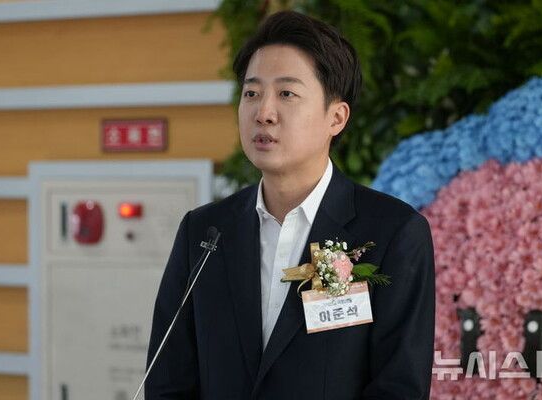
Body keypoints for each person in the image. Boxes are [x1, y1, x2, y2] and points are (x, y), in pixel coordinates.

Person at [146, 10, 435, 400]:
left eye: (286, 94)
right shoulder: (204, 232)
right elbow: (168, 381)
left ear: (336, 117)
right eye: (252, 93)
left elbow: (398, 387)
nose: (263, 113)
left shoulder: (392, 233)